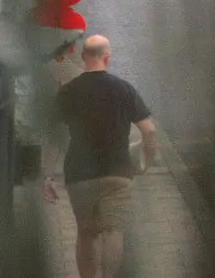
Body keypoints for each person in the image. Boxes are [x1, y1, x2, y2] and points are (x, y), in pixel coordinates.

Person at [43, 35, 158, 278]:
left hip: (79, 174)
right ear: (107, 57)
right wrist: (147, 160)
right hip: (117, 172)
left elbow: (53, 135)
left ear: (84, 57)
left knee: (86, 233)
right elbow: (149, 130)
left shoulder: (69, 92)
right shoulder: (124, 88)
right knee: (114, 231)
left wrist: (48, 176)